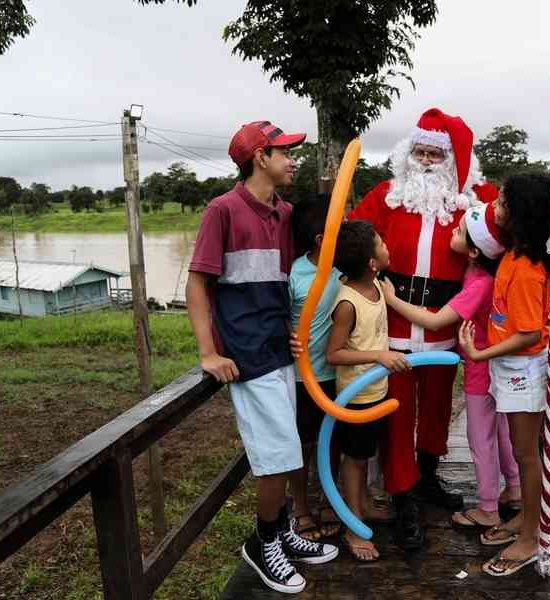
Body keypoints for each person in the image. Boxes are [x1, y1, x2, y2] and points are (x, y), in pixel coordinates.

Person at [186, 120, 337, 595]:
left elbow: (285, 280)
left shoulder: (284, 214)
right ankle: (262, 543)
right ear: (260, 158)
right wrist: (208, 352)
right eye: (284, 152)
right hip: (248, 356)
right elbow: (198, 283)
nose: (292, 160)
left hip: (279, 348)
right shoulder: (222, 210)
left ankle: (282, 530)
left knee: (286, 449)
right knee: (276, 457)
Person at [348, 107, 498, 550]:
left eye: (437, 154)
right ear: (407, 153)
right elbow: (349, 239)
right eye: (420, 152)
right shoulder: (386, 195)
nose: (428, 161)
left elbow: (514, 223)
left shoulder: (474, 201)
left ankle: (427, 476)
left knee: (436, 410)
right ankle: (403, 496)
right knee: (397, 414)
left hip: (446, 328)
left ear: (453, 160)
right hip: (391, 328)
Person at [380, 202, 521, 529]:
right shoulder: (478, 273)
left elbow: (436, 320)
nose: (452, 231)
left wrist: (391, 299)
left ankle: (487, 506)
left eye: (458, 231)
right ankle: (513, 489)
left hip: (477, 365)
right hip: (483, 362)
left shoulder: (479, 282)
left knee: (479, 436)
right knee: (500, 431)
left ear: (474, 251)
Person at [458, 173, 550, 577]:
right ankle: (525, 518)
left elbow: (530, 333)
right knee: (521, 451)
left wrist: (480, 353)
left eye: (501, 202)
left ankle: (532, 536)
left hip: (522, 368)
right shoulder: (513, 255)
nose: (494, 206)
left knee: (526, 454)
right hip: (509, 365)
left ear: (520, 212)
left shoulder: (528, 269)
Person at [325, 220, 409, 562]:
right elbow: (334, 354)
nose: (388, 247)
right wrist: (379, 355)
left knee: (365, 456)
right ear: (372, 262)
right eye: (381, 244)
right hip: (356, 397)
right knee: (356, 461)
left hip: (376, 390)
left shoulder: (374, 283)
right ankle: (353, 526)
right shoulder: (348, 302)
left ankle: (362, 504)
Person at [288, 194, 343, 541]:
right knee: (302, 444)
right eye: (341, 226)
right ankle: (300, 507)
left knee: (332, 440)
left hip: (340, 376)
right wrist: (287, 336)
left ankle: (329, 499)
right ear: (322, 239)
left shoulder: (347, 268)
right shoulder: (296, 273)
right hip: (303, 378)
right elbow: (281, 315)